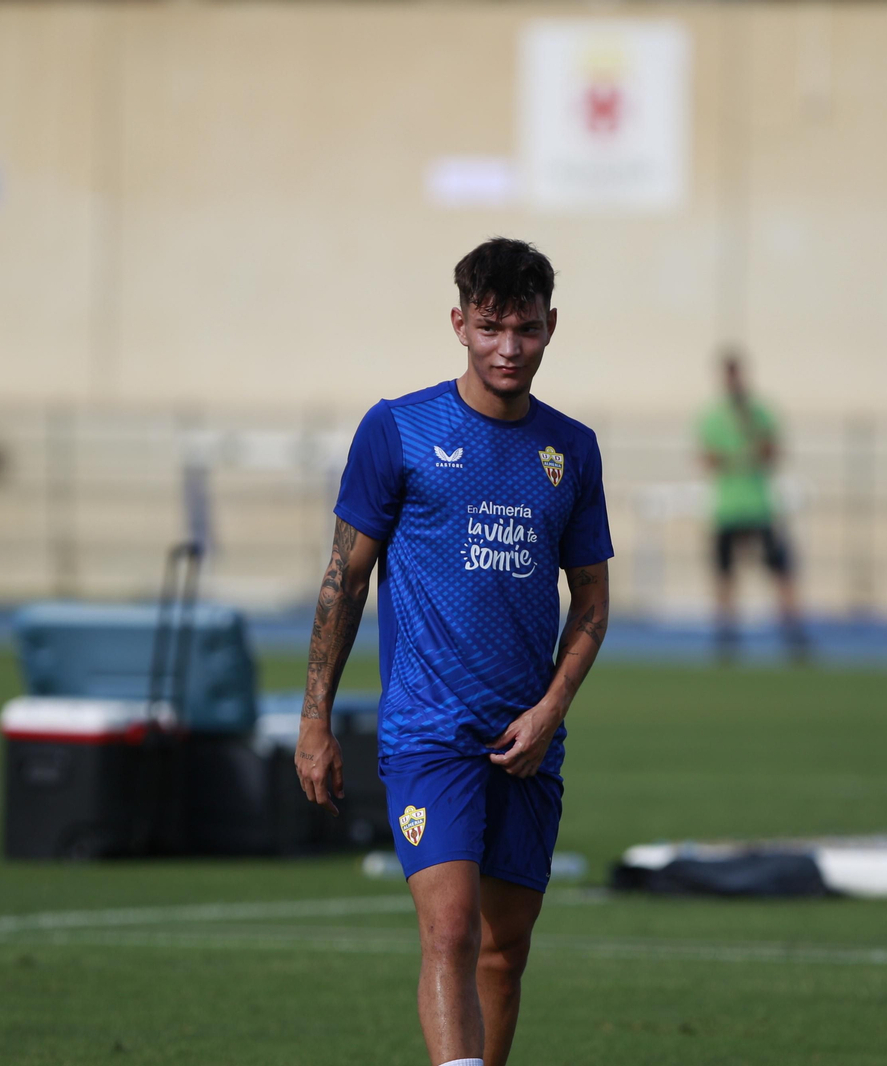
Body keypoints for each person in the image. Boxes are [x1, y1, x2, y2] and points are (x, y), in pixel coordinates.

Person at [295, 238, 612, 1066]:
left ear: (552, 328)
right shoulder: (398, 429)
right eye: (491, 328)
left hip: (526, 740)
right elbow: (343, 581)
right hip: (428, 730)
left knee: (505, 951)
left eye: (528, 331)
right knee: (450, 931)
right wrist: (314, 721)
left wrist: (549, 712)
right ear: (459, 324)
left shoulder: (571, 450)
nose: (509, 349)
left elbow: (592, 604)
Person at [696, 349, 809, 662]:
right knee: (725, 574)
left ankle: (793, 632)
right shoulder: (714, 416)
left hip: (758, 506)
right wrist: (740, 456)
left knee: (780, 571)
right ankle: (726, 635)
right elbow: (707, 458)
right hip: (729, 508)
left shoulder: (759, 412)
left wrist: (747, 439)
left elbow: (772, 450)